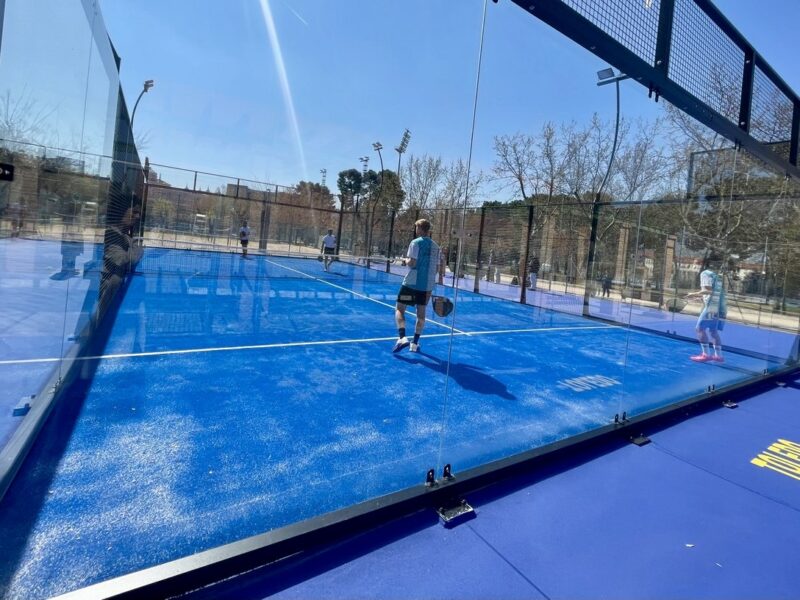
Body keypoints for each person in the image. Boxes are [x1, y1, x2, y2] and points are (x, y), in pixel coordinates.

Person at [393, 219, 441, 354]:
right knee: (421, 314)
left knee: (400, 309)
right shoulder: (436, 247)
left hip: (412, 282)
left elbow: (412, 263)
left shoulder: (415, 243)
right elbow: (436, 268)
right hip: (427, 284)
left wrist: (405, 260)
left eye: (416, 227)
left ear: (420, 228)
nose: (415, 229)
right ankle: (414, 343)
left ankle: (402, 338)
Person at [686, 258, 727, 363]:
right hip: (720, 308)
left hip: (711, 307)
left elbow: (708, 291)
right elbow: (715, 293)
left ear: (701, 264)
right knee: (713, 331)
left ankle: (705, 355)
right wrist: (701, 298)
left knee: (699, 329)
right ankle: (718, 356)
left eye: (695, 264)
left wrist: (693, 294)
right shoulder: (716, 275)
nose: (693, 266)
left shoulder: (704, 273)